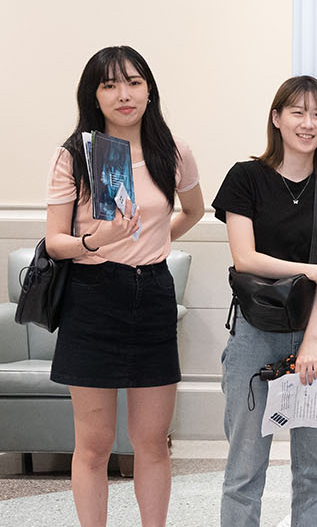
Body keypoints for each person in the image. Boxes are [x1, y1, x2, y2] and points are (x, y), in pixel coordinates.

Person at [45, 46, 205, 527]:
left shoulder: (172, 150)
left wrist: (155, 238)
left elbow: (194, 211)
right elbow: (55, 243)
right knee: (93, 445)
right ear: (93, 95)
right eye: (110, 85)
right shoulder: (74, 154)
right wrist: (98, 239)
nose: (124, 94)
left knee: (152, 441)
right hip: (91, 296)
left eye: (133, 82)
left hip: (153, 292)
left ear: (149, 89)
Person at [213, 76, 317, 526]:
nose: (308, 123)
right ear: (276, 119)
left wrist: (312, 341)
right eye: (297, 112)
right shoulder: (245, 177)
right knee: (244, 469)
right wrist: (309, 269)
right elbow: (245, 257)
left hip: (315, 332)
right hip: (254, 333)